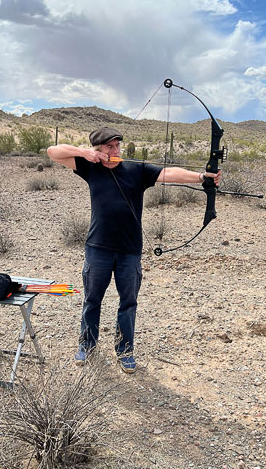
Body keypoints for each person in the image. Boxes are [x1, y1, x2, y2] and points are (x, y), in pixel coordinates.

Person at [47, 126, 221, 374]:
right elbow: (53, 151)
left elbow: (168, 173)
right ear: (98, 150)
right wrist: (85, 153)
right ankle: (87, 345)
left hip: (129, 250)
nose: (115, 150)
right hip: (98, 248)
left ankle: (125, 351)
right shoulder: (89, 168)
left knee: (128, 303)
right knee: (92, 300)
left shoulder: (136, 170)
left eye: (117, 145)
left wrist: (202, 177)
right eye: (109, 146)